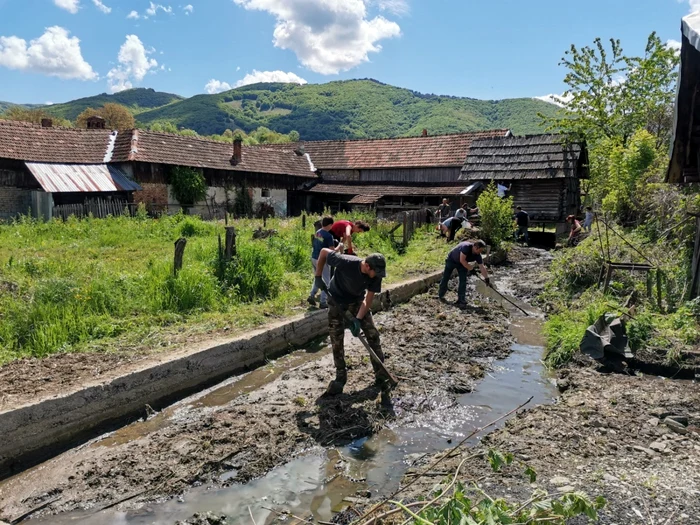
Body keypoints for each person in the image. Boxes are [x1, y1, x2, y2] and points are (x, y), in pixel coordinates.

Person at [313, 248, 391, 404]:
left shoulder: (376, 275)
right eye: (376, 272)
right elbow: (323, 252)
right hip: (336, 299)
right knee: (336, 338)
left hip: (357, 302)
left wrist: (357, 319)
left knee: (373, 335)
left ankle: (381, 375)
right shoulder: (346, 262)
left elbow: (368, 300)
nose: (378, 276)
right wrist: (318, 276)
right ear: (367, 266)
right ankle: (340, 378)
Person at [438, 240, 490, 309]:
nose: (480, 252)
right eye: (480, 250)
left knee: (463, 280)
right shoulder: (466, 247)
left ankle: (461, 300)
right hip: (452, 260)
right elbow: (462, 260)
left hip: (462, 264)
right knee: (446, 277)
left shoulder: (477, 255)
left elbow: (482, 267)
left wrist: (486, 278)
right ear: (475, 247)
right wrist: (471, 269)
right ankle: (441, 295)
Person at [308, 216, 342, 309]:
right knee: (326, 281)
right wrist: (339, 246)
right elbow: (332, 251)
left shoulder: (318, 232)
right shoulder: (329, 236)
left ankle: (311, 295)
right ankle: (323, 302)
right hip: (322, 260)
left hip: (314, 257)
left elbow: (318, 245)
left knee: (317, 278)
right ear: (330, 225)